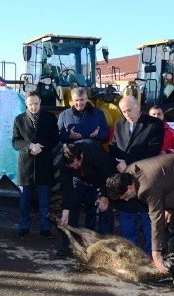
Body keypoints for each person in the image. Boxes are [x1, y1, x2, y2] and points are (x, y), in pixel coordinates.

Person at [106, 154, 174, 275]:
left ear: (130, 187)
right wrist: (168, 208)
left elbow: (156, 220)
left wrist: (156, 254)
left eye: (126, 196)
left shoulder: (147, 187)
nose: (126, 200)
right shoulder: (128, 172)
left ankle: (173, 272)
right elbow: (166, 182)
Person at [109, 95, 164, 254]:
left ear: (138, 106)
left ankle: (150, 256)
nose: (127, 114)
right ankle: (130, 255)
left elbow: (152, 152)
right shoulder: (119, 125)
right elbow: (113, 148)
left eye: (129, 110)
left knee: (148, 222)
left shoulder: (154, 125)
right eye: (124, 111)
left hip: (145, 181)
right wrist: (118, 164)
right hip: (124, 184)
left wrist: (129, 164)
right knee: (127, 222)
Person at [12, 90, 59, 238]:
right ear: (26, 104)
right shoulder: (19, 120)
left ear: (40, 102)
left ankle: (45, 228)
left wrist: (40, 146)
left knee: (44, 200)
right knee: (24, 201)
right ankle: (24, 227)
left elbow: (55, 138)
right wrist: (29, 146)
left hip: (44, 164)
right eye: (31, 104)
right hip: (26, 166)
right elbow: (15, 141)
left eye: (36, 104)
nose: (34, 107)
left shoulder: (50, 118)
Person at [56, 140, 114, 256]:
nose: (75, 167)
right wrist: (66, 210)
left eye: (77, 164)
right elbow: (67, 186)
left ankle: (105, 248)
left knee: (104, 210)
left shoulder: (95, 151)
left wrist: (104, 195)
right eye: (72, 166)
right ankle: (68, 245)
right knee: (70, 211)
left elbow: (108, 175)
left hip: (100, 181)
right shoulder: (63, 161)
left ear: (81, 155)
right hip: (79, 181)